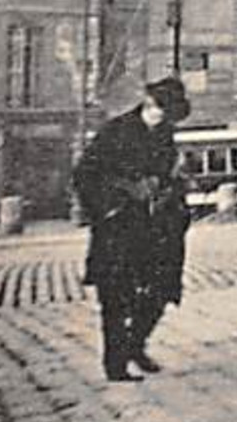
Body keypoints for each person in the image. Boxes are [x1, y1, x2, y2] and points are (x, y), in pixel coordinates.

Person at [72, 78, 192, 383]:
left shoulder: (165, 134)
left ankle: (135, 345)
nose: (163, 120)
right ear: (149, 105)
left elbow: (168, 176)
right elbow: (85, 173)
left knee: (161, 292)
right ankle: (116, 364)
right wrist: (119, 197)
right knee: (114, 298)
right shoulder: (115, 131)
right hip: (117, 230)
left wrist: (171, 187)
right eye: (161, 112)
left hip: (155, 230)